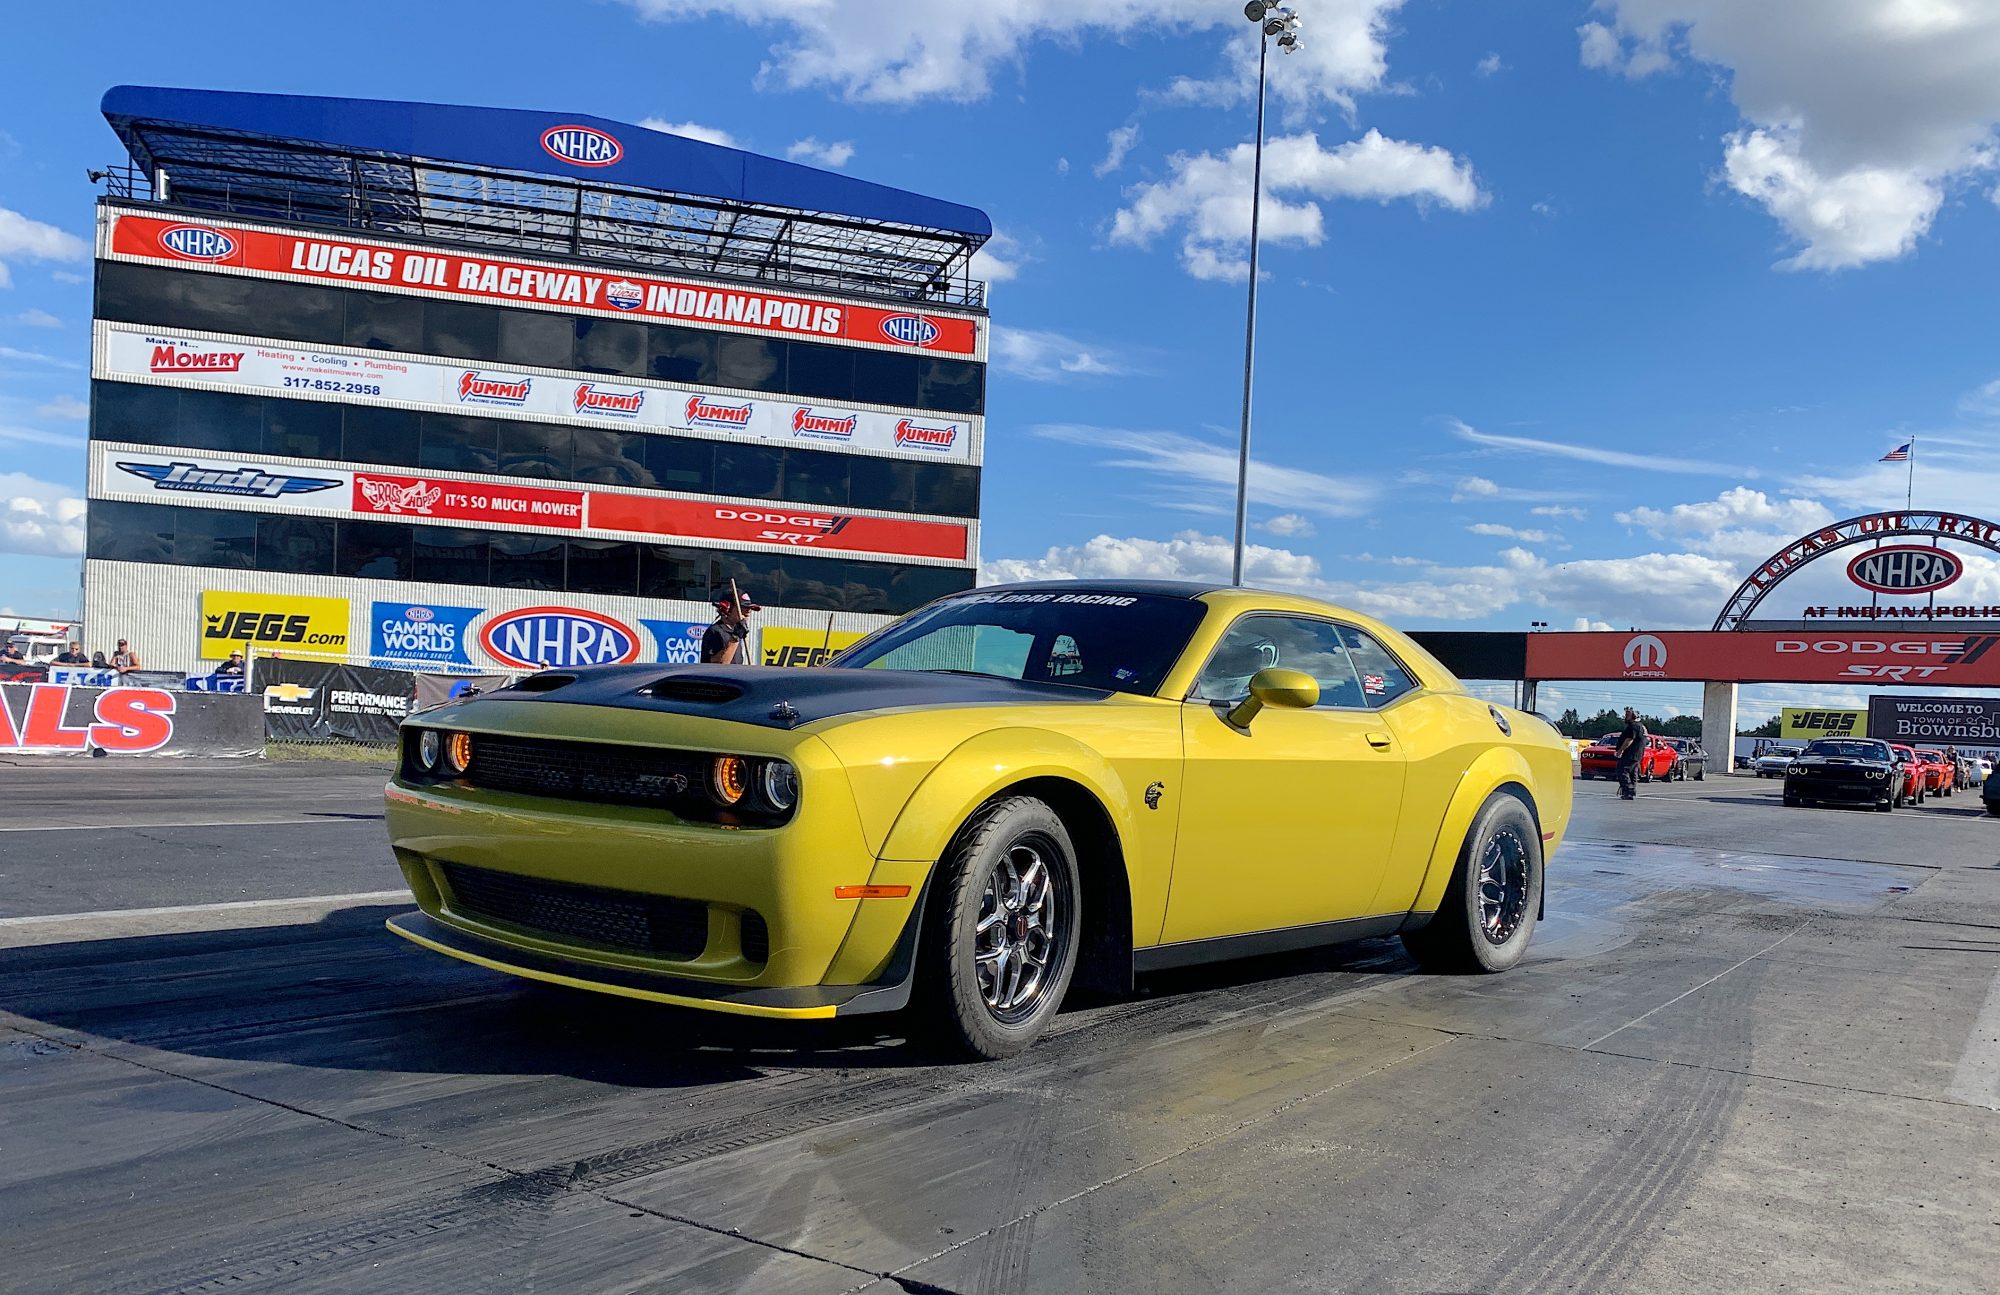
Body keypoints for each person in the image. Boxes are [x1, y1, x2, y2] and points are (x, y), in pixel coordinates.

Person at [700, 589, 759, 665]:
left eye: (750, 608)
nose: (748, 611)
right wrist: (735, 637)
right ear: (727, 608)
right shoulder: (715, 631)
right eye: (743, 607)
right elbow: (719, 665)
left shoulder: (735, 632)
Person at [1614, 706, 1648, 801]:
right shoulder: (1641, 726)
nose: (1625, 717)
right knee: (1633, 773)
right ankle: (1631, 792)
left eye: (1627, 715)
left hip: (1630, 753)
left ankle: (1628, 791)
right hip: (1637, 754)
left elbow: (1629, 739)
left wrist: (1620, 750)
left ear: (1633, 716)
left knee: (1622, 770)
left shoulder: (1633, 726)